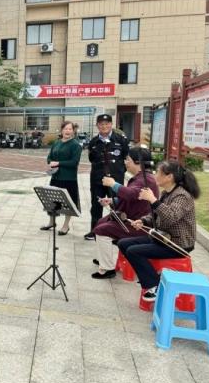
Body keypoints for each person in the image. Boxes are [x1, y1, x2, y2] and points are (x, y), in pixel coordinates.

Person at [118, 160, 198, 301]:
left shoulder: (182, 196)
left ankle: (154, 286)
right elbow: (155, 214)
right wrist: (143, 221)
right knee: (123, 243)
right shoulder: (167, 193)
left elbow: (170, 217)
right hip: (163, 238)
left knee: (133, 251)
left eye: (159, 173)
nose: (155, 175)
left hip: (178, 244)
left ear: (169, 177)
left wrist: (153, 200)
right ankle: (150, 277)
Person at [91, 147, 159, 279]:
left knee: (101, 230)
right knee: (101, 222)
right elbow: (132, 198)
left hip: (139, 224)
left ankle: (108, 269)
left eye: (128, 159)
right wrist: (112, 200)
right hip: (131, 219)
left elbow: (131, 194)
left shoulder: (147, 180)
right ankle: (103, 259)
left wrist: (113, 184)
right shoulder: (142, 178)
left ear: (138, 162)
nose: (125, 162)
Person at [85, 114, 129, 240]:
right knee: (96, 204)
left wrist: (119, 171)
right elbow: (92, 159)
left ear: (111, 124)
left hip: (115, 179)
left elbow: (126, 156)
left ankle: (117, 232)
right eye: (101, 124)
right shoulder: (93, 141)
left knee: (117, 204)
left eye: (107, 123)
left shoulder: (121, 139)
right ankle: (94, 231)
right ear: (97, 125)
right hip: (97, 179)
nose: (104, 126)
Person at [41, 121, 82, 235]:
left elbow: (74, 162)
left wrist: (58, 163)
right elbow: (49, 157)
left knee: (68, 202)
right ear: (62, 130)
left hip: (69, 178)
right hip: (56, 176)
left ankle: (66, 225)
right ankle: (51, 222)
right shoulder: (57, 143)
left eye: (70, 129)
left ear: (73, 131)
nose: (67, 131)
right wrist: (50, 162)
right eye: (65, 129)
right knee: (52, 200)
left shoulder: (75, 145)